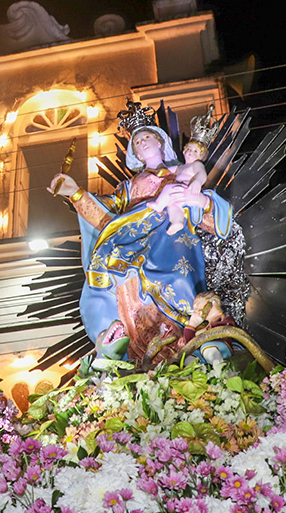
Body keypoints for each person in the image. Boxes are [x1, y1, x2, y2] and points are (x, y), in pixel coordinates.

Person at [48, 100, 232, 359]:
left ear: (160, 141)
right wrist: (75, 193)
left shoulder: (182, 172)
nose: (142, 142)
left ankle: (188, 343)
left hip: (175, 244)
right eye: (136, 142)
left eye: (147, 137)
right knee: (117, 271)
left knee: (179, 283)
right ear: (134, 153)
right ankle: (141, 348)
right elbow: (106, 221)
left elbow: (210, 216)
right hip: (135, 245)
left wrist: (200, 200)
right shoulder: (128, 188)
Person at [147, 140, 207, 236]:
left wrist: (197, 182)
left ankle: (159, 205)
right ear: (184, 152)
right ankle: (177, 222)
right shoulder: (180, 167)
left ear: (200, 156)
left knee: (168, 187)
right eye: (189, 149)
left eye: (195, 151)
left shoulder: (196, 165)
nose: (191, 152)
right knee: (173, 206)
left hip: (187, 188)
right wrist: (155, 174)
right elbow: (165, 171)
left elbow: (202, 174)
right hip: (178, 192)